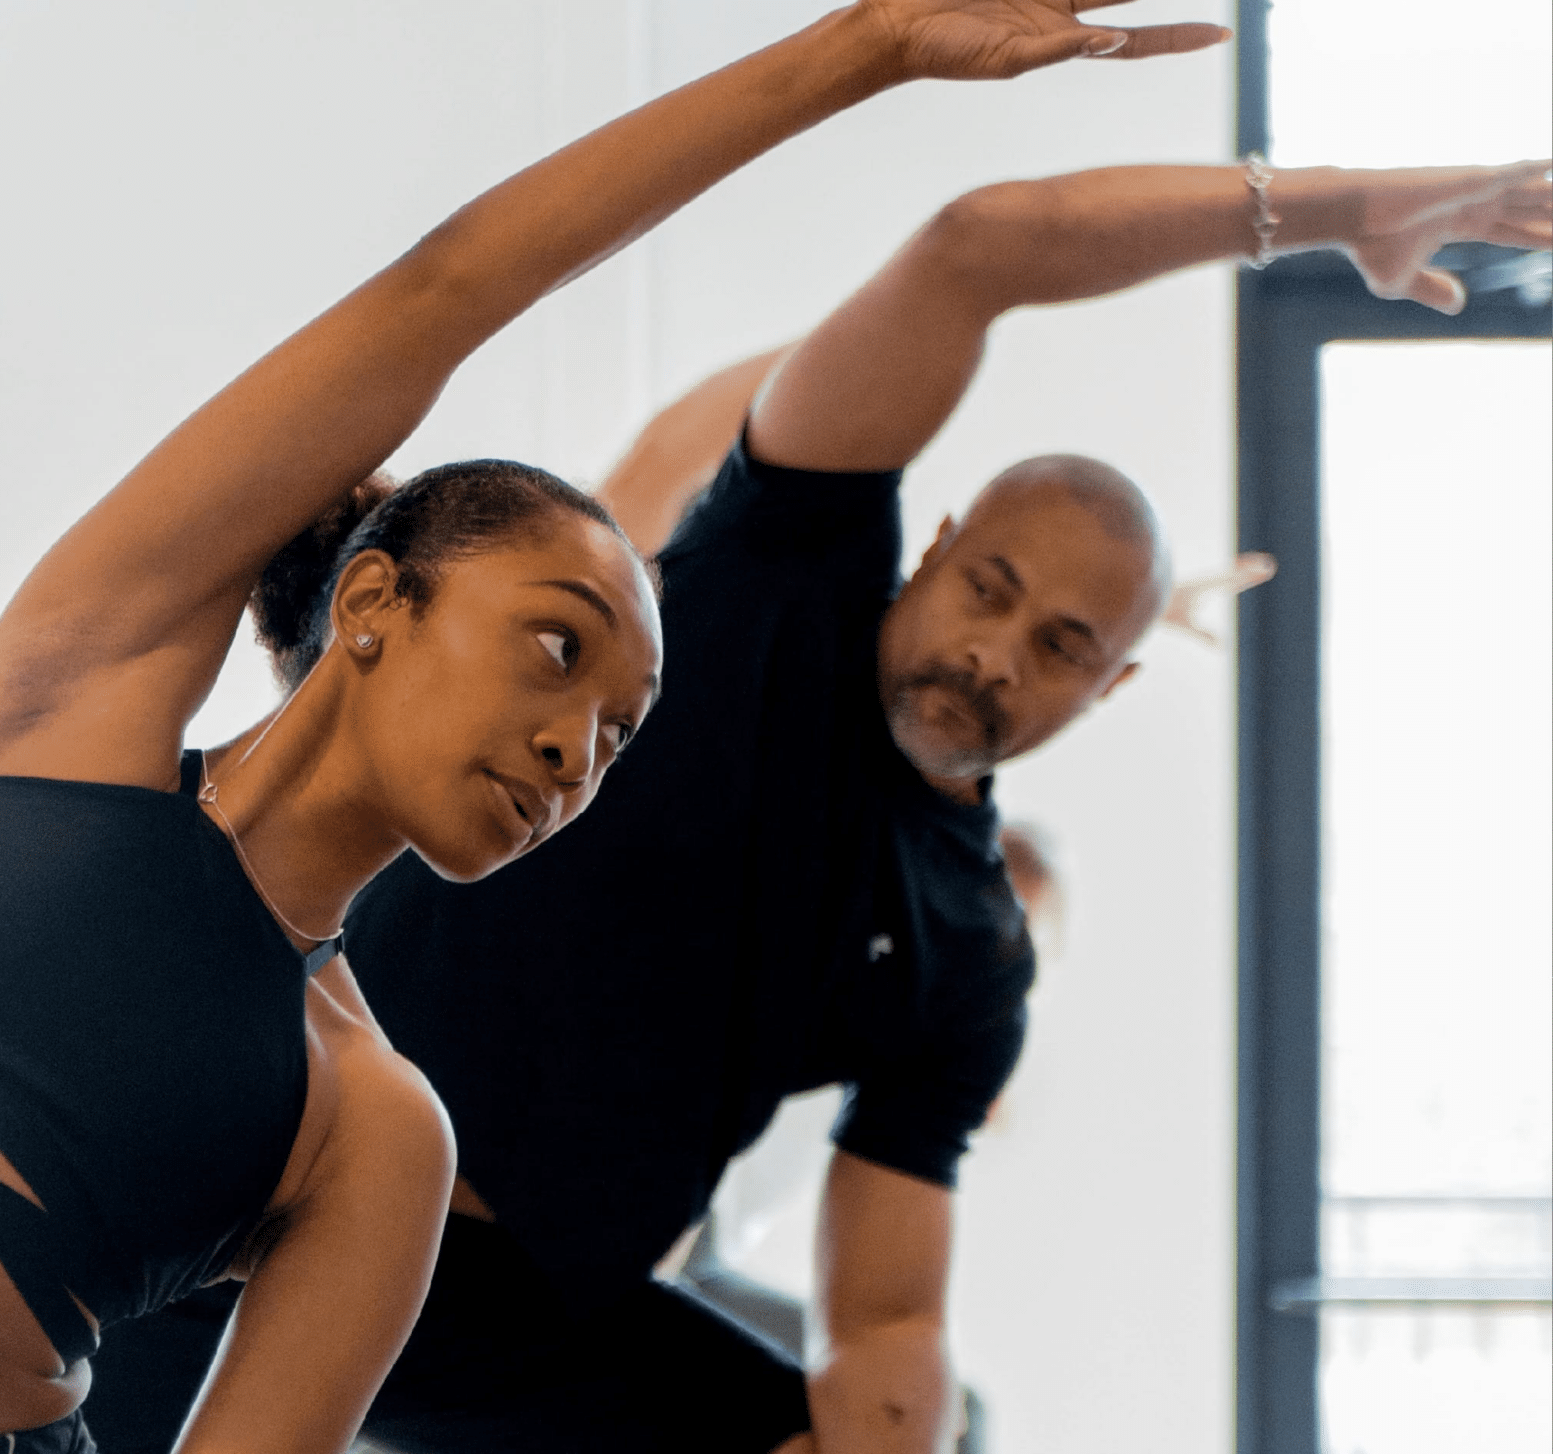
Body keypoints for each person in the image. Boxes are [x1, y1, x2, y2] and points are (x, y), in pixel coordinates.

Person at [0, 4, 1233, 1451]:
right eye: (554, 650)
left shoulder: (378, 1128)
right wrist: (853, 56)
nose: (576, 747)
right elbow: (442, 292)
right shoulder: (67, 694)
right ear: (375, 605)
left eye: (622, 731)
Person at [81, 149, 1551, 1452]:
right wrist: (1331, 208)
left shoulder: (968, 943)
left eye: (1061, 649)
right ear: (942, 538)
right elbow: (977, 249)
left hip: (530, 1309)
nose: (995, 655)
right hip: (257, 1167)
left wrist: (895, 1424)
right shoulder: (783, 575)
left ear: (1108, 690)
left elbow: (890, 1309)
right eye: (993, 589)